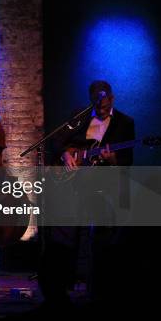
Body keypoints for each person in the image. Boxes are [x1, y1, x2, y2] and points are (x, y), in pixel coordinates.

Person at [40, 80, 135, 307]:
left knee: (98, 235)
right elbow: (55, 141)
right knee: (63, 231)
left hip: (103, 184)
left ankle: (96, 288)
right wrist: (65, 155)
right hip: (73, 183)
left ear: (111, 98)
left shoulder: (125, 123)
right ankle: (64, 284)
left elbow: (128, 162)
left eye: (104, 104)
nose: (100, 109)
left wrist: (113, 160)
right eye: (96, 104)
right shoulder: (80, 116)